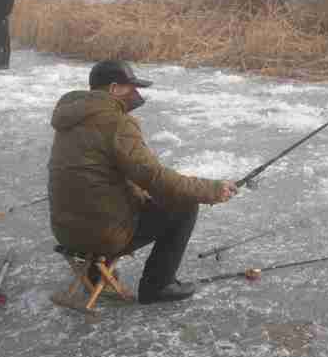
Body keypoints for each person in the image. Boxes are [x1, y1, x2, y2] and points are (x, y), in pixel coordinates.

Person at [48, 61, 238, 304]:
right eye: (132, 87)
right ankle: (158, 286)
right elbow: (153, 177)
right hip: (101, 235)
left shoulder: (71, 119)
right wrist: (210, 190)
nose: (136, 93)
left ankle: (96, 274)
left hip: (66, 231)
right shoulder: (117, 123)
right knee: (183, 207)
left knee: (100, 197)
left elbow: (101, 175)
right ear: (115, 88)